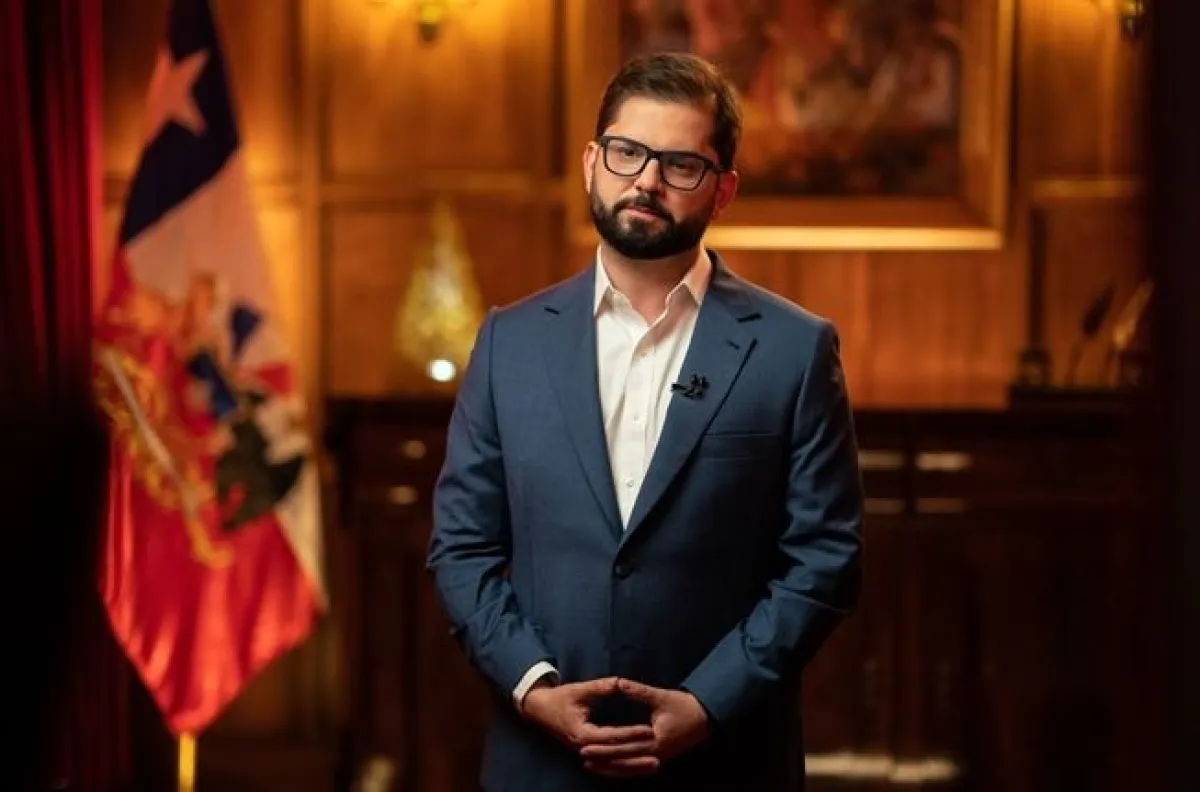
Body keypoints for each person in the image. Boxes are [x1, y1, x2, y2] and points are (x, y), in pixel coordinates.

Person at [427, 51, 864, 791]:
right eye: (627, 152)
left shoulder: (794, 350)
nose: (646, 181)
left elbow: (825, 560)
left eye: (680, 165)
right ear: (591, 164)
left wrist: (707, 703)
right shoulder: (509, 342)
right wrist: (532, 686)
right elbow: (461, 548)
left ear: (723, 191)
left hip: (726, 763)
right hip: (541, 763)